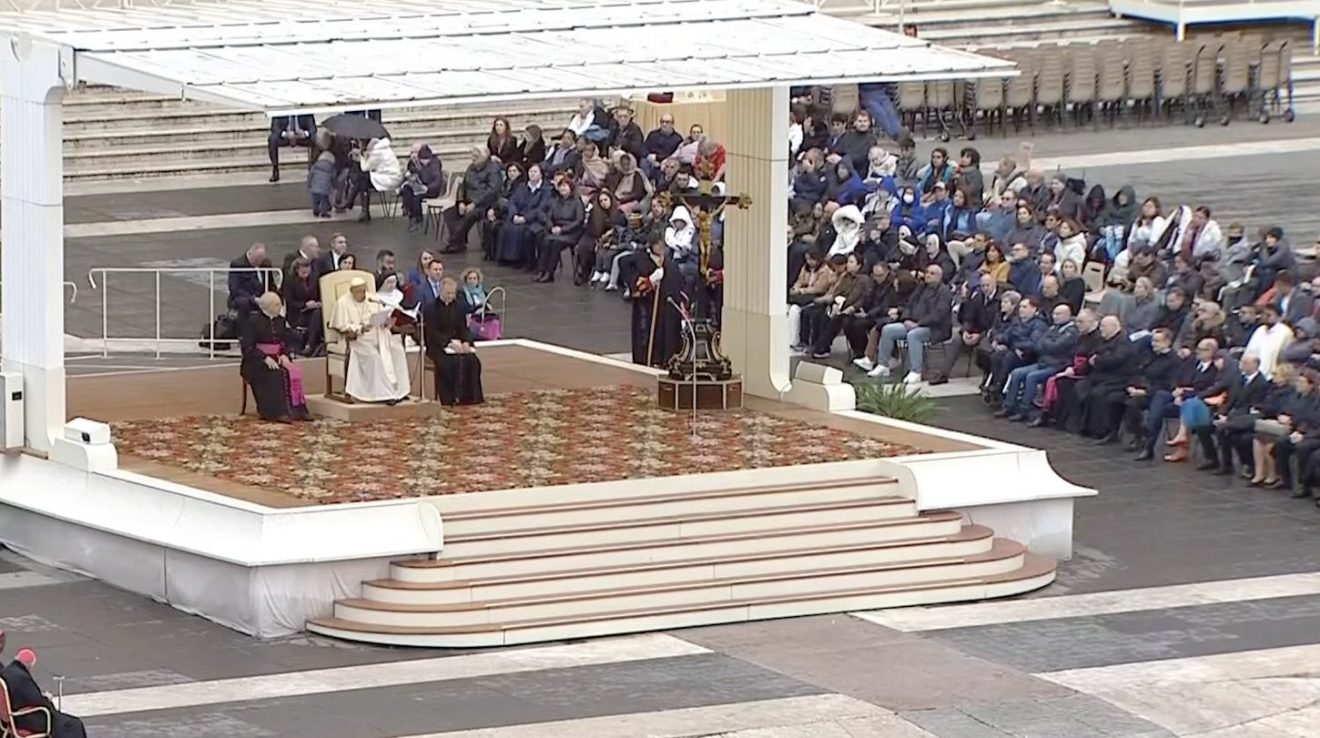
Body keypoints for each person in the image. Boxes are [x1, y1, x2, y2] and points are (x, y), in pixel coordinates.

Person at [329, 277, 410, 404]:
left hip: (379, 335)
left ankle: (400, 391)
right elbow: (340, 326)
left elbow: (381, 316)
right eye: (359, 291)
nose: (363, 294)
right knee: (374, 356)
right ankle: (382, 394)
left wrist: (385, 322)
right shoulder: (343, 303)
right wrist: (360, 329)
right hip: (357, 339)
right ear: (352, 291)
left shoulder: (372, 299)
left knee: (397, 351)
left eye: (364, 290)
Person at [869, 264, 953, 383]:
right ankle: (883, 365)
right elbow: (908, 305)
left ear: (939, 276)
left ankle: (915, 371)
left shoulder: (944, 292)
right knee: (888, 329)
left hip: (935, 328)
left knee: (914, 335)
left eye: (932, 273)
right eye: (927, 272)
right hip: (912, 323)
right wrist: (906, 319)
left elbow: (938, 315)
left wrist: (918, 324)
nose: (928, 275)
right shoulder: (921, 287)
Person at [999, 304, 1078, 424]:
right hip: (1043, 362)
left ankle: (1024, 410)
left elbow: (1056, 346)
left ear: (1067, 315)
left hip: (1057, 365)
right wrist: (1048, 343)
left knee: (1032, 377)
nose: (1054, 316)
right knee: (1017, 373)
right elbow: (1038, 344)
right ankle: (1009, 406)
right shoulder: (1052, 328)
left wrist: (1046, 344)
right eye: (1054, 313)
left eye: (1058, 314)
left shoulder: (1071, 332)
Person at [239, 292, 311, 422]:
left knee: (291, 372)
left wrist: (284, 354)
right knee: (275, 374)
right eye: (277, 305)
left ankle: (298, 410)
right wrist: (264, 358)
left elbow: (286, 342)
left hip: (277, 357)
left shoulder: (281, 321)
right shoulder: (252, 321)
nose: (280, 307)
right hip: (256, 361)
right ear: (268, 306)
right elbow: (248, 347)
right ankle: (275, 412)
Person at [1196, 353, 1269, 475]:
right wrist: (1222, 413)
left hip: (1245, 417)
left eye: (1245, 363)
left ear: (1255, 365)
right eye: (1241, 362)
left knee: (1224, 430)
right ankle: (1212, 459)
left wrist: (1229, 418)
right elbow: (1231, 399)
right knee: (1202, 426)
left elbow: (1250, 407)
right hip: (1231, 413)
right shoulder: (1238, 378)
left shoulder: (1261, 384)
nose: (1242, 365)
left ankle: (1228, 465)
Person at [1121, 328, 1183, 457]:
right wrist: (1132, 386)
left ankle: (1148, 442)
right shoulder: (1149, 355)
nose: (1153, 344)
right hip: (1143, 390)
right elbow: (1139, 372)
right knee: (1130, 404)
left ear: (1167, 342)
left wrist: (1145, 392)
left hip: (1161, 394)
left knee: (1154, 407)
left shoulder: (1174, 361)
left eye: (1157, 341)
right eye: (1153, 341)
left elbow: (1169, 385)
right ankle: (1138, 435)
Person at [1, 647, 88, 738]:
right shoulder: (22, 678)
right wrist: (47, 698)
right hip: (25, 720)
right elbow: (37, 701)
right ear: (30, 665)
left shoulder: (7, 672)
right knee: (73, 724)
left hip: (15, 718)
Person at [423, 277, 485, 406]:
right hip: (438, 345)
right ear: (441, 291)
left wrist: (466, 342)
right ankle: (450, 397)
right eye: (448, 293)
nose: (451, 296)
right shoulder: (431, 308)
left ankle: (470, 396)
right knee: (450, 362)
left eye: (453, 293)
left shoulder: (458, 306)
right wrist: (449, 343)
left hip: (456, 342)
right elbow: (432, 332)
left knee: (472, 360)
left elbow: (463, 328)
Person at [930, 271, 999, 385]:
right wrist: (966, 331)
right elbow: (969, 317)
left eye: (988, 285)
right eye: (983, 286)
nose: (985, 288)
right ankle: (943, 374)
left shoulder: (1000, 300)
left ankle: (988, 377)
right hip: (975, 330)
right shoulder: (978, 298)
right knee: (957, 340)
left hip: (990, 333)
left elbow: (996, 324)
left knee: (984, 346)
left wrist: (980, 335)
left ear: (994, 284)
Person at [630, 238, 685, 368]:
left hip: (667, 305)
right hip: (652, 305)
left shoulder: (671, 265)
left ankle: (664, 358)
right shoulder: (643, 261)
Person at [443, 147, 505, 254]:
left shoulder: (493, 169)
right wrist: (461, 201)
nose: (473, 158)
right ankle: (459, 242)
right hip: (469, 200)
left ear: (484, 157)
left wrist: (475, 203)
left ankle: (453, 243)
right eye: (472, 155)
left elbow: (492, 190)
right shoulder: (471, 168)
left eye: (476, 156)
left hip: (485, 203)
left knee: (470, 215)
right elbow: (463, 186)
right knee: (450, 213)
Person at [495, 163, 550, 269]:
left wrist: (525, 218)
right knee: (506, 227)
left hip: (532, 218)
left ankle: (520, 260)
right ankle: (506, 258)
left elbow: (541, 208)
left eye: (535, 172)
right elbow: (513, 202)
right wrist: (514, 214)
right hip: (518, 215)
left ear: (541, 174)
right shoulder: (522, 186)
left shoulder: (546, 189)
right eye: (530, 172)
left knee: (521, 230)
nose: (532, 174)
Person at [535, 176, 587, 283]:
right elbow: (549, 216)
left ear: (570, 188)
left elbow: (579, 221)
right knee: (545, 240)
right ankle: (541, 271)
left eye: (565, 186)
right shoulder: (555, 201)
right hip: (556, 229)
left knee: (555, 243)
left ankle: (550, 273)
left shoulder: (577, 202)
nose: (562, 189)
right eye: (560, 186)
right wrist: (551, 227)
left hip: (571, 232)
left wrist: (562, 230)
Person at [351, 136, 403, 222]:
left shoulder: (377, 152)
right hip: (385, 176)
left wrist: (361, 155)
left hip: (391, 179)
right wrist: (363, 157)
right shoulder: (378, 149)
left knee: (363, 177)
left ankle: (356, 205)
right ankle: (358, 207)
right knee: (362, 180)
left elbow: (365, 168)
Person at [281, 257, 324, 356]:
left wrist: (318, 302)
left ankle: (312, 344)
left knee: (318, 313)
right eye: (303, 272)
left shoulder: (314, 279)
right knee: (316, 315)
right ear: (297, 270)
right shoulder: (289, 281)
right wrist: (305, 305)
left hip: (313, 310)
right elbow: (289, 301)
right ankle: (310, 344)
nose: (306, 275)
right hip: (297, 312)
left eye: (307, 272)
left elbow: (318, 295)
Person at [400, 144, 443, 231]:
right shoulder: (420, 164)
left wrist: (428, 188)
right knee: (407, 189)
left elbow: (436, 181)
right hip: (422, 186)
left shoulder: (434, 165)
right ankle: (411, 215)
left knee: (416, 197)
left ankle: (416, 217)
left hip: (431, 189)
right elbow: (415, 171)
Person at [267, 113, 315, 183]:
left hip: (301, 137)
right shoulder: (279, 112)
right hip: (285, 137)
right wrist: (285, 134)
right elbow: (274, 128)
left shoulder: (305, 112)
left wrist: (305, 134)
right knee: (272, 139)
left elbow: (313, 129)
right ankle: (275, 169)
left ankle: (313, 169)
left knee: (315, 139)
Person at [228, 242, 273, 312]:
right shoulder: (237, 264)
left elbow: (270, 283)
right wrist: (253, 299)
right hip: (246, 299)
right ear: (250, 254)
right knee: (242, 301)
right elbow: (235, 288)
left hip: (262, 299)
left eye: (261, 260)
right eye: (256, 260)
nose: (259, 263)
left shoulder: (266, 264)